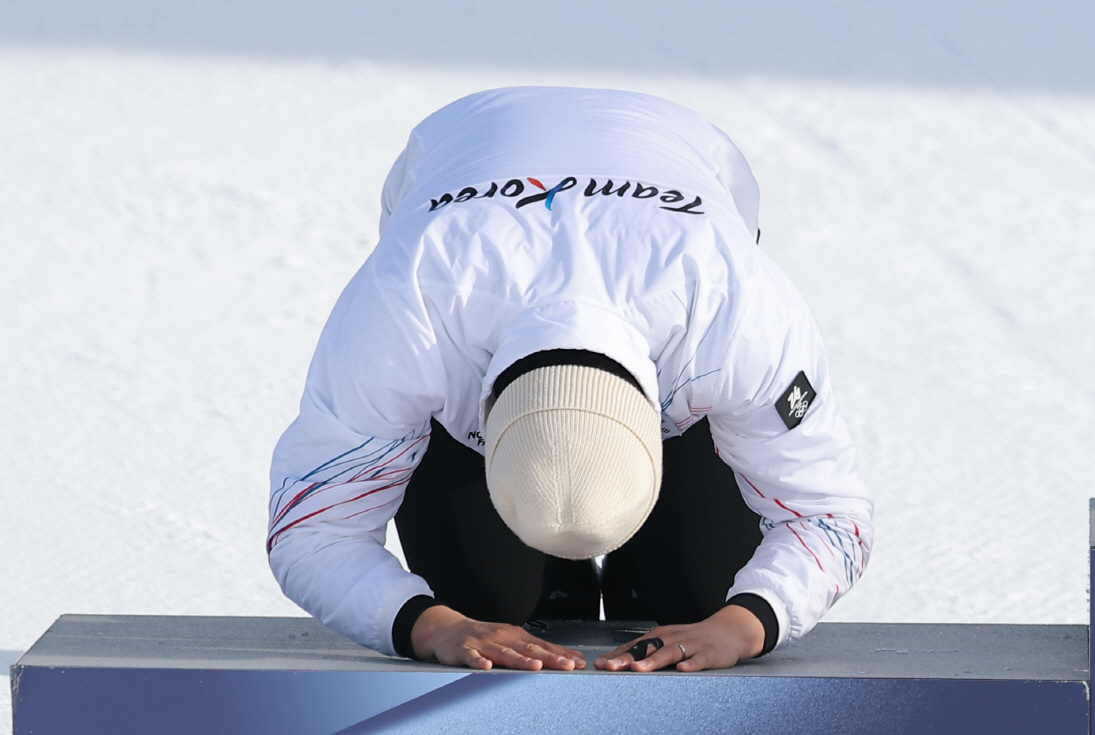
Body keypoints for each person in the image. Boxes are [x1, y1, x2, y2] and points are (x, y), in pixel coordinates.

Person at [267, 86, 873, 673]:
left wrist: (741, 625)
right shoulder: (405, 315)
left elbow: (828, 512)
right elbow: (311, 527)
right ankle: (557, 582)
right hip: (456, 155)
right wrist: (435, 626)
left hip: (683, 153)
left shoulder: (734, 312)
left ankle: (647, 573)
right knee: (490, 617)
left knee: (700, 599)